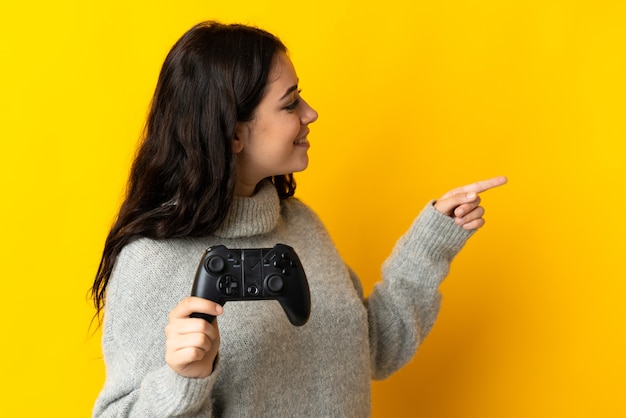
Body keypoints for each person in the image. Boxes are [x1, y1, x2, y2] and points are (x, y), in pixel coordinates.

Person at [91, 21, 507, 417]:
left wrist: (431, 240)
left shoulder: (300, 225)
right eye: (290, 103)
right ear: (234, 134)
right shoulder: (152, 261)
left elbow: (374, 348)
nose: (310, 113)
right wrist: (182, 381)